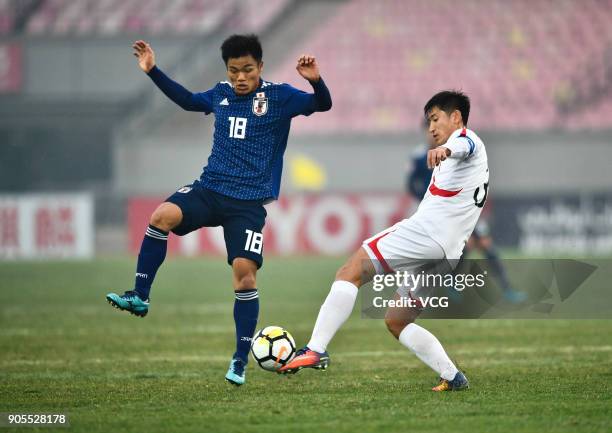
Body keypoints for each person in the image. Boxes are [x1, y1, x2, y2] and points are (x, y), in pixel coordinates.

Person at [106, 34, 332, 386]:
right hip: (209, 190)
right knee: (160, 217)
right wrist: (153, 70)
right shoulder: (221, 93)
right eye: (233, 71)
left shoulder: (280, 96)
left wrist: (315, 80)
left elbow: (323, 105)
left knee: (245, 275)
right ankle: (139, 295)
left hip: (247, 205)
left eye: (247, 70)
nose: (240, 78)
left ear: (260, 67)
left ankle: (240, 359)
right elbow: (187, 101)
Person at [279, 91, 485, 391]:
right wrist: (445, 153)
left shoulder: (467, 142)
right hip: (447, 252)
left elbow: (461, 145)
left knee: (350, 271)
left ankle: (315, 349)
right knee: (397, 321)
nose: (430, 127)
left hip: (426, 235)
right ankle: (454, 377)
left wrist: (446, 151)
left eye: (435, 119)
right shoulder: (467, 158)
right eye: (429, 121)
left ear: (456, 118)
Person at [406, 120, 525, 303]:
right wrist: (429, 199)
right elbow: (411, 185)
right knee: (463, 245)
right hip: (438, 213)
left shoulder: (453, 152)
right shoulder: (419, 157)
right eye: (429, 129)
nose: (433, 132)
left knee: (485, 244)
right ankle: (447, 283)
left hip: (463, 208)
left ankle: (506, 289)